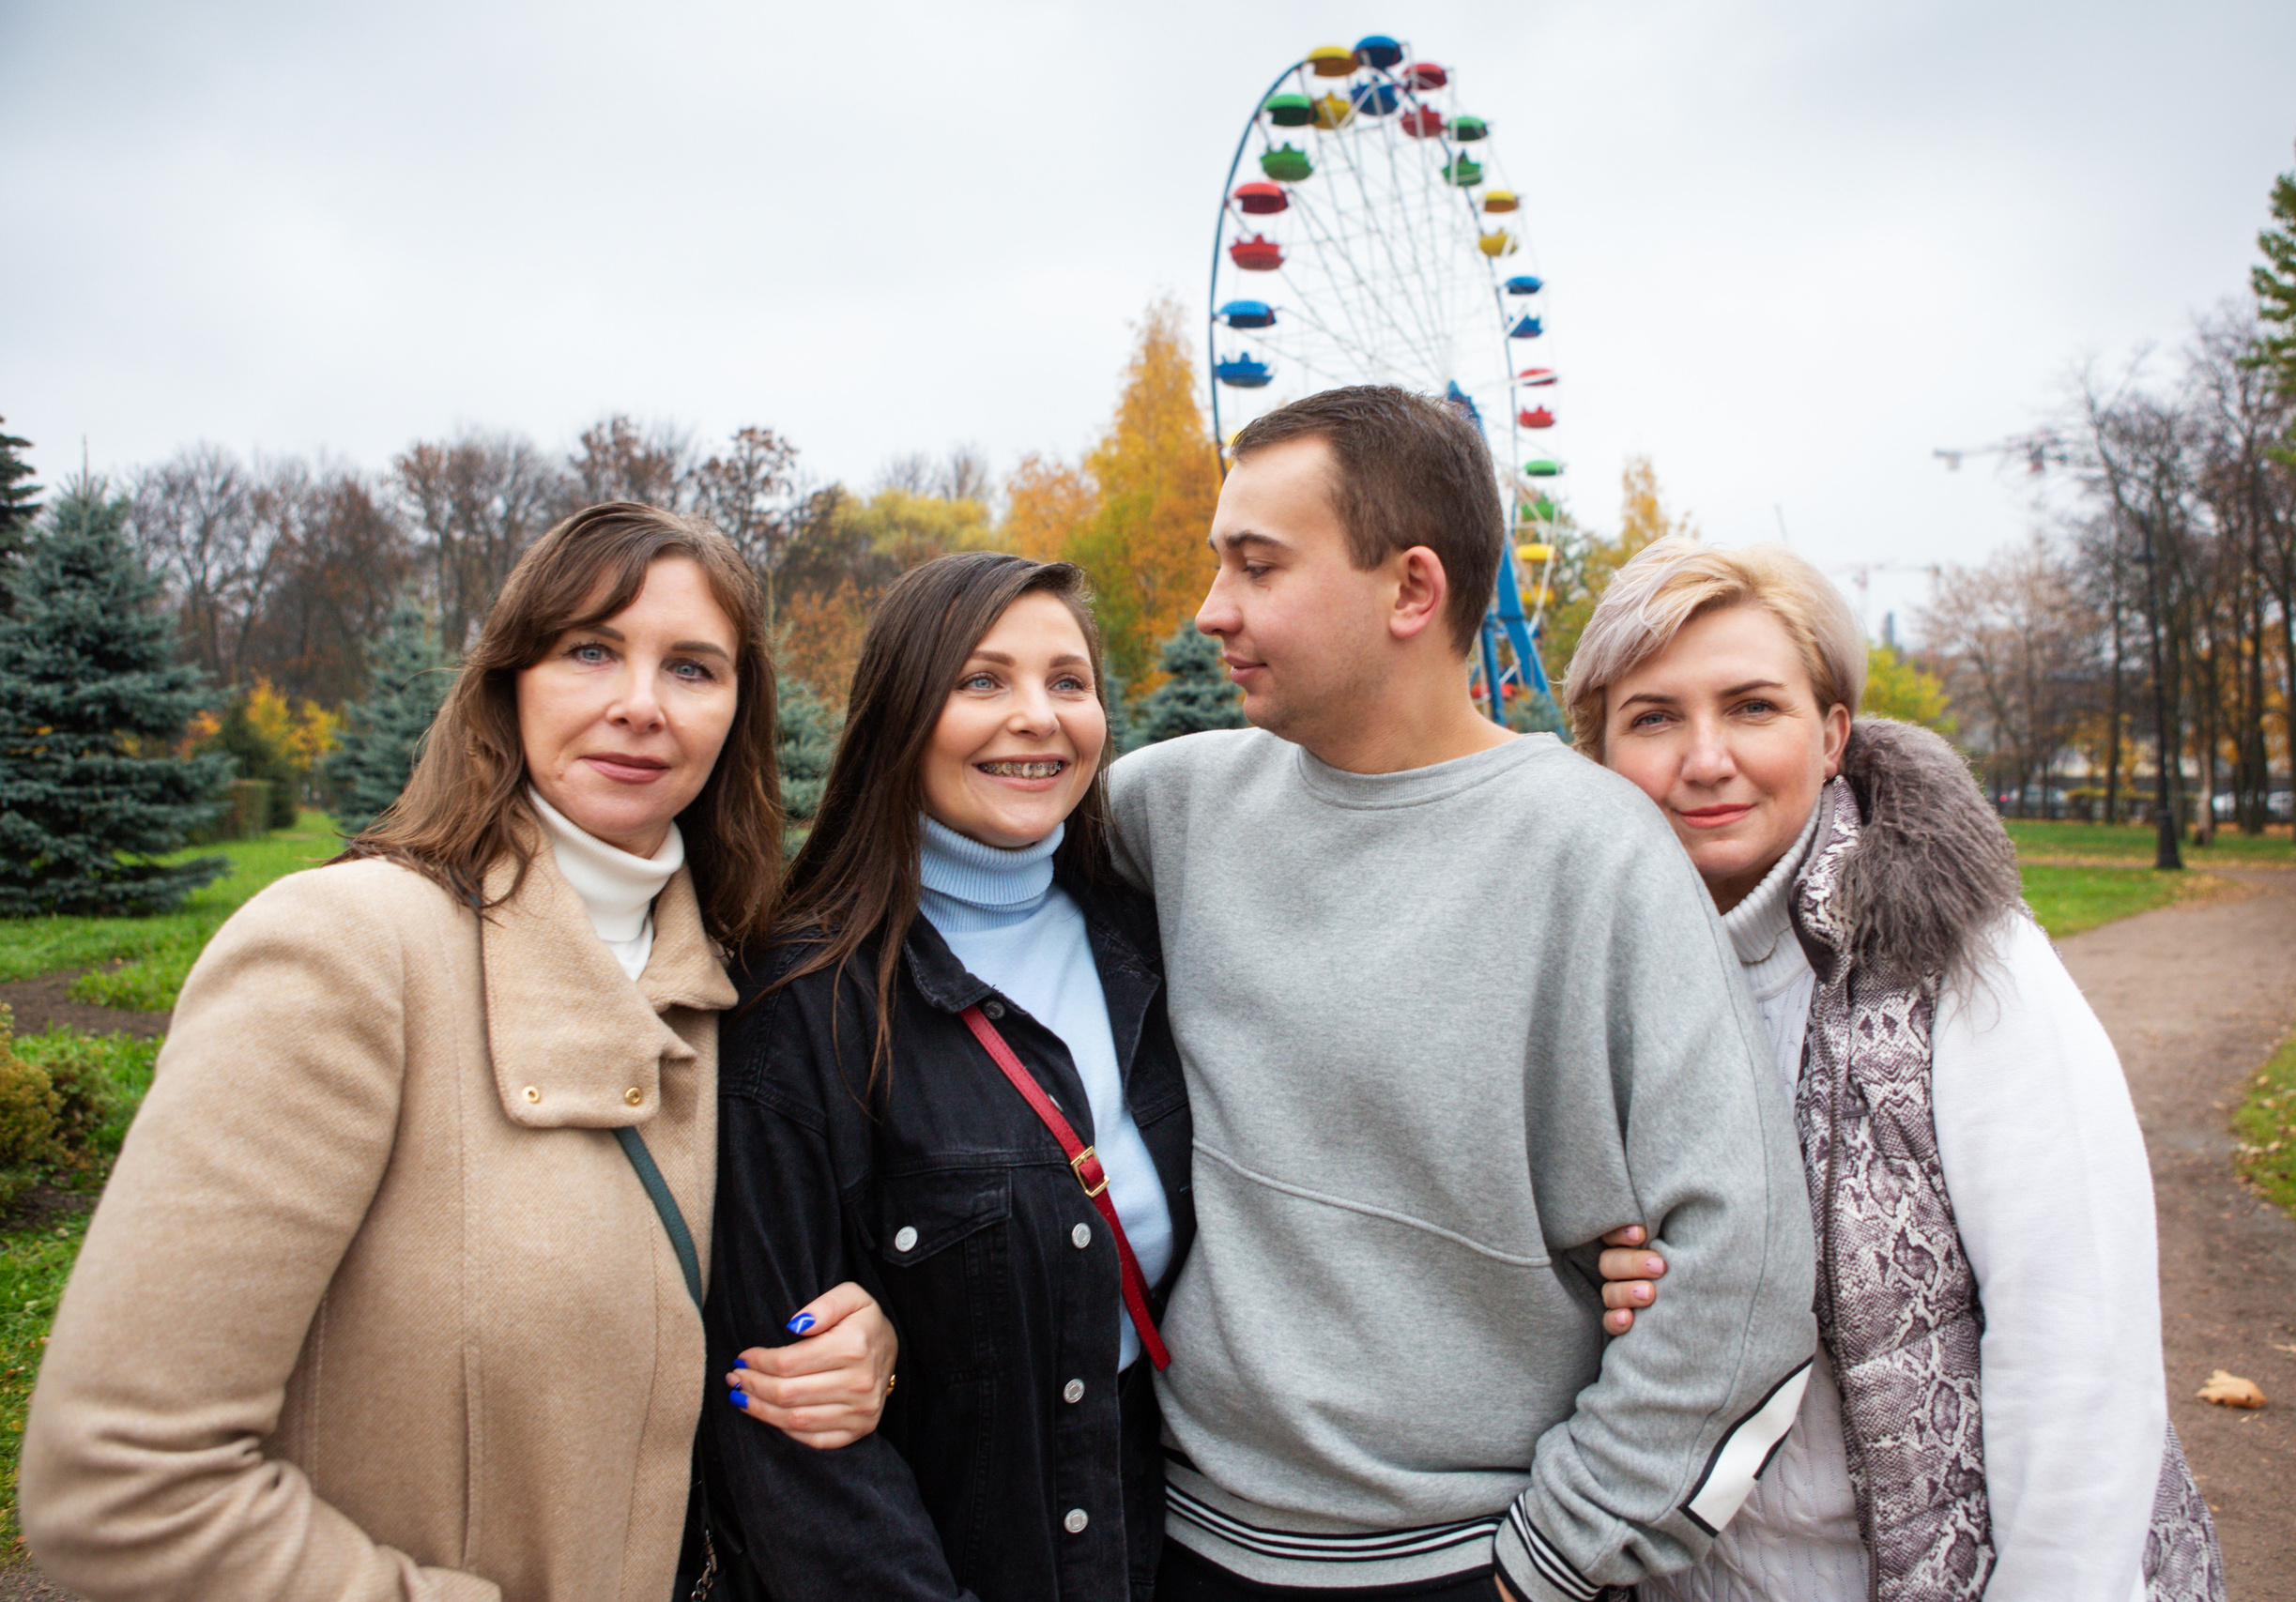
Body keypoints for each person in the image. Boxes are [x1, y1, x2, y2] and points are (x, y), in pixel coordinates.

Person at [21, 504, 895, 1602]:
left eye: (691, 668)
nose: (640, 706)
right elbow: (119, 1482)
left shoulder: (738, 983)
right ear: (507, 680)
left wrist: (865, 1341)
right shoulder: (344, 953)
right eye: (589, 650)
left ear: (736, 712)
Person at [1105, 386, 1818, 1602]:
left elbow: (1740, 1265)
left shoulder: (1594, 851)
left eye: (1258, 565)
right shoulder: (1168, 806)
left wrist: (1551, 1558)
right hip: (1174, 1543)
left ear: (1413, 590)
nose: (1210, 608)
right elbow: (934, 891)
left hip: (1461, 1562)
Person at [1565, 538, 2225, 1602]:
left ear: (1831, 736)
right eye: (1652, 717)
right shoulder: (1580, 991)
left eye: (1751, 707)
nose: (1703, 758)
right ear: (1597, 753)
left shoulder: (1958, 961)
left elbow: (2077, 1340)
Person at [703, 551, 1194, 1602]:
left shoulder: (1146, 947)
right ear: (900, 715)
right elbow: (793, 1447)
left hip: (1157, 1552)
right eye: (982, 682)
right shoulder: (801, 1008)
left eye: (1068, 682)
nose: (1037, 717)